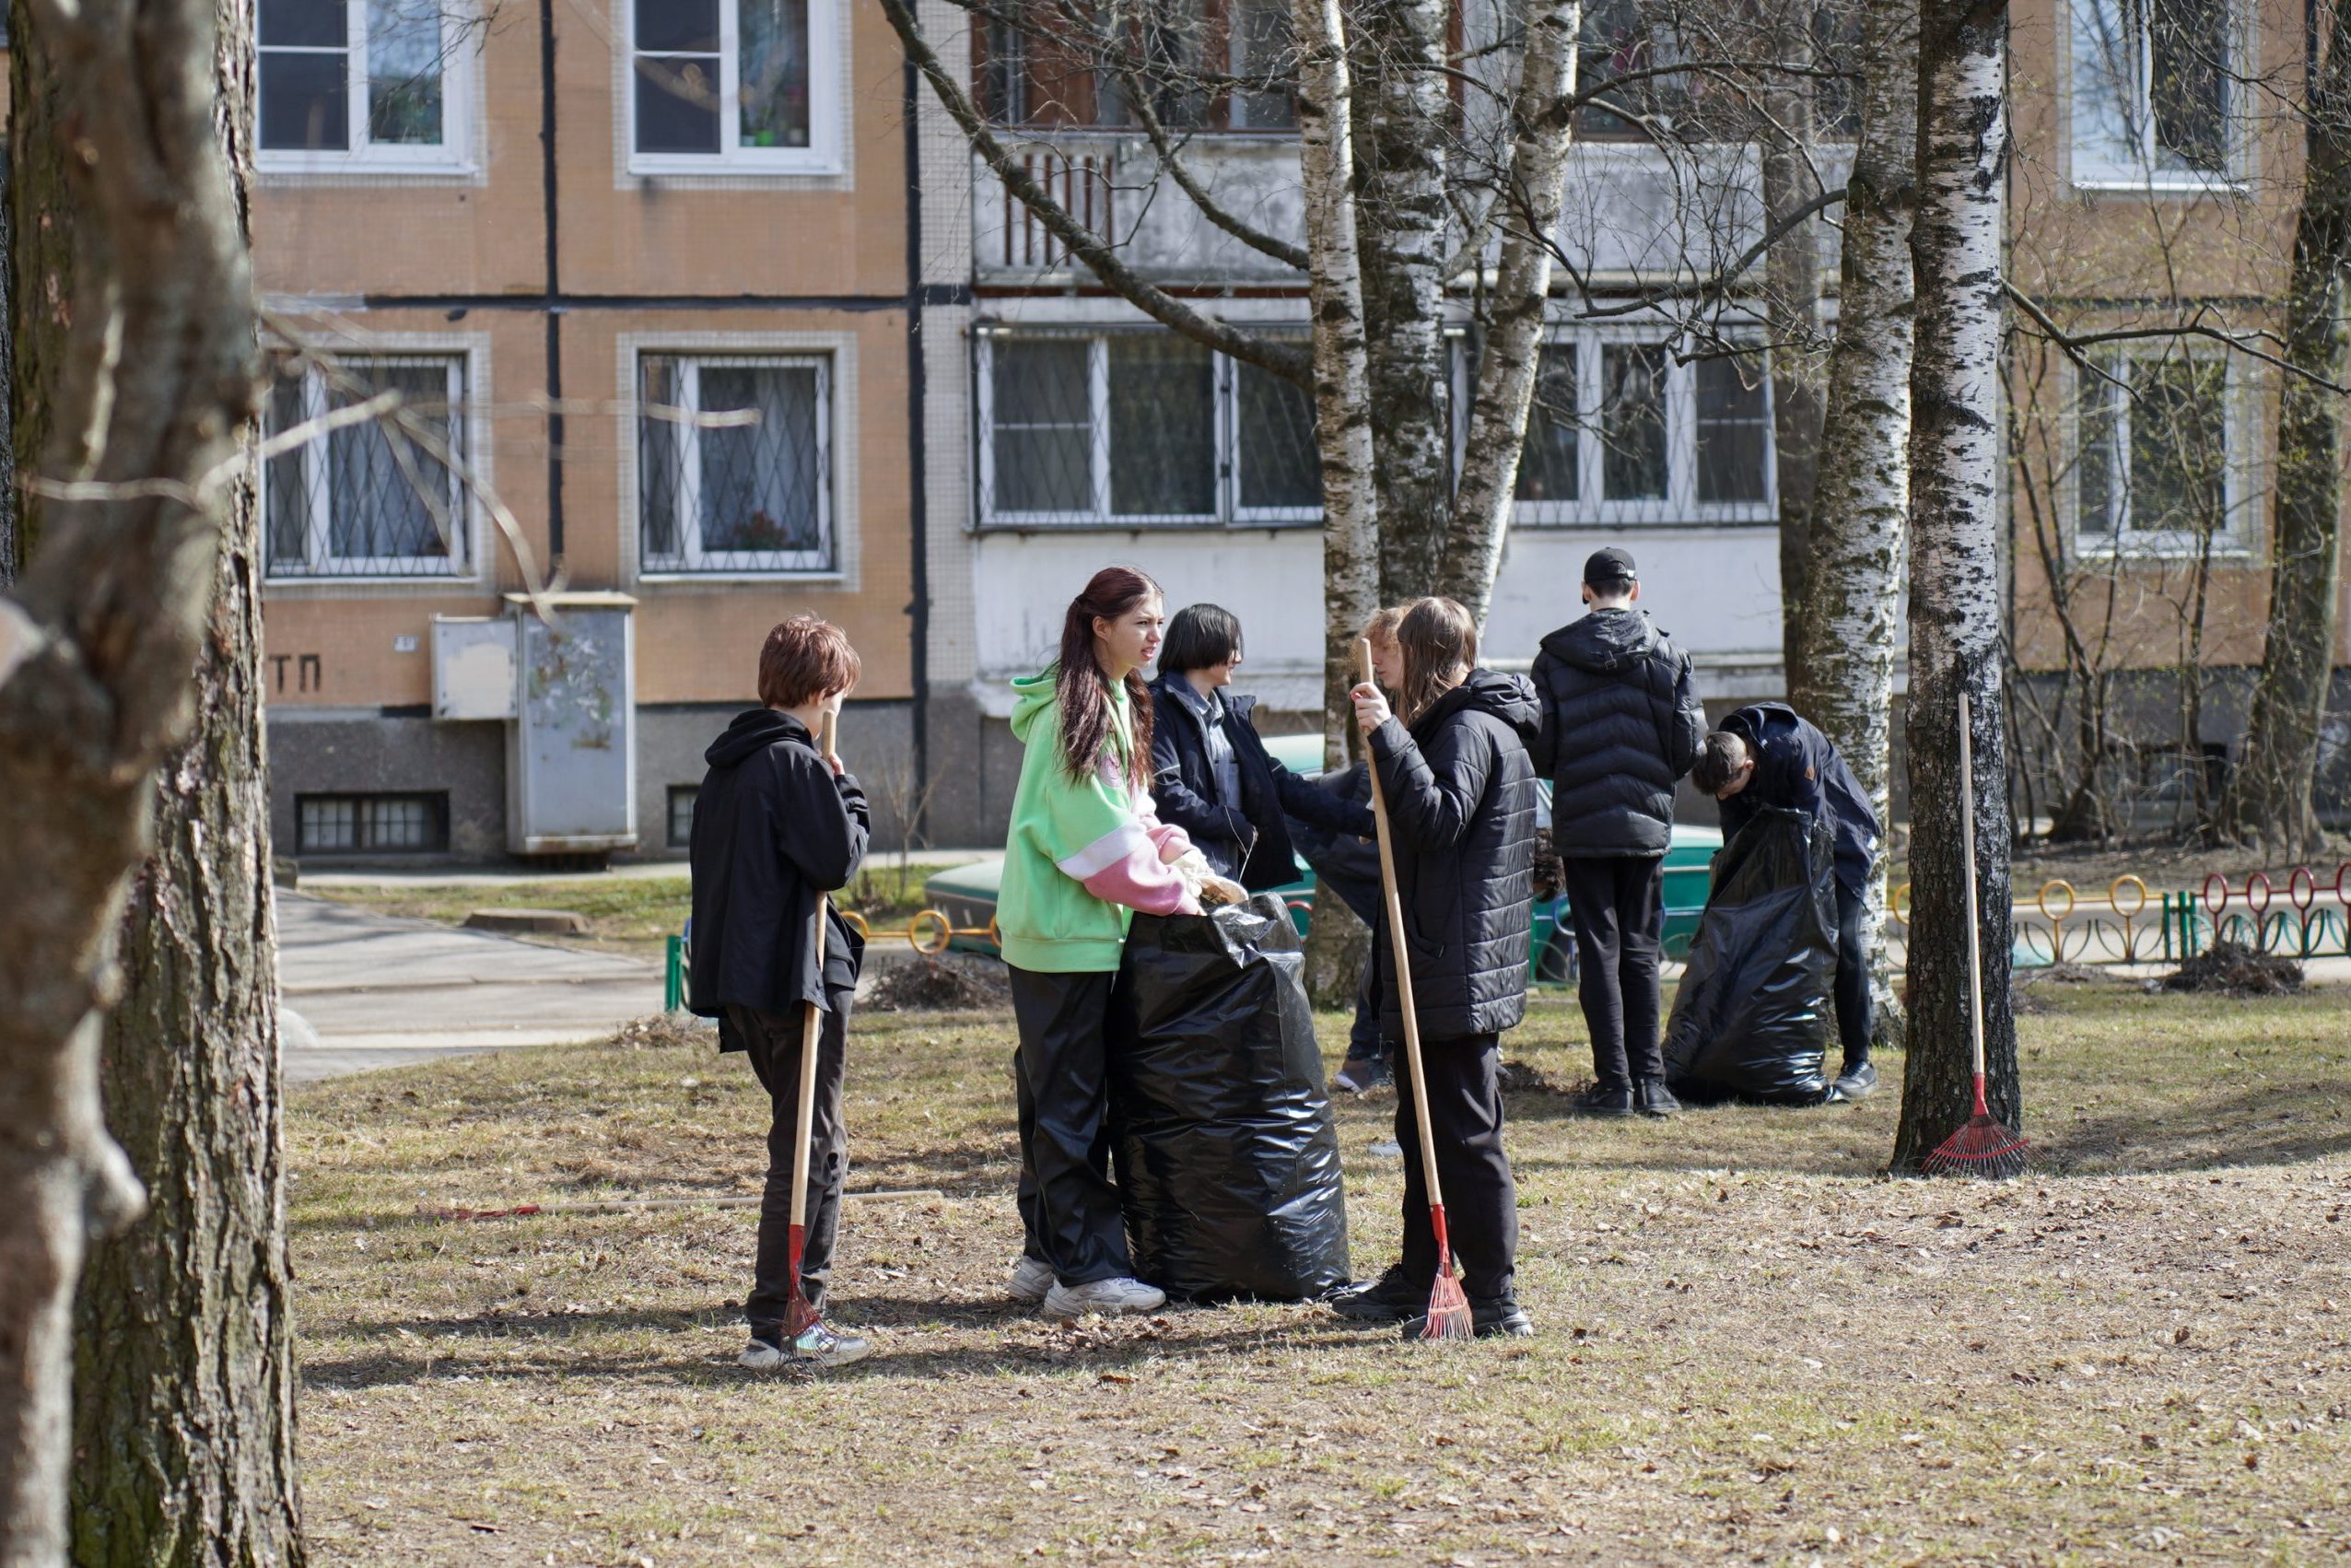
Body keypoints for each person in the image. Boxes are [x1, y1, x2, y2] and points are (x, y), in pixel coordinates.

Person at [997, 567, 1242, 1320]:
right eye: (1141, 621)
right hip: (1066, 935)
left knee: (1051, 1099)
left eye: (1159, 621)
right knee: (1072, 1107)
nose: (1155, 635)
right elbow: (1097, 844)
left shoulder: (1106, 700)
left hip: (1059, 933)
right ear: (1100, 626)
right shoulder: (1079, 711)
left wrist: (1180, 852)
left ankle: (1045, 1256)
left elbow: (1132, 809)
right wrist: (1180, 896)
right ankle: (1087, 1272)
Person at [1330, 597, 1539, 1340]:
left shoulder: (1471, 730)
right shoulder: (1457, 726)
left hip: (1456, 960)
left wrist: (1387, 734)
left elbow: (1437, 819)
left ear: (1420, 659)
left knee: (1465, 1133)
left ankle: (1493, 1293)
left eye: (1401, 659)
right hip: (1438, 953)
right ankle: (1420, 1274)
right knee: (1424, 1127)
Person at [687, 615, 872, 1369]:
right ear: (825, 691)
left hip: (744, 980)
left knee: (805, 1141)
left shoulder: (728, 765)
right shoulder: (794, 764)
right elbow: (837, 859)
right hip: (792, 982)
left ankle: (784, 1316)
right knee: (810, 1150)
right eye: (840, 694)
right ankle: (789, 1318)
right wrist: (847, 790)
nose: (839, 709)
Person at [1527, 547, 1706, 1118]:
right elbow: (1687, 746)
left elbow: (1543, 748)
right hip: (1645, 821)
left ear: (1585, 589)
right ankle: (1651, 1085)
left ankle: (1614, 1084)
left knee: (1598, 948)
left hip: (1582, 821)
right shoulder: (1670, 654)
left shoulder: (1553, 656)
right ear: (1634, 589)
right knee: (1642, 949)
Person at [1690, 703, 1883, 1101]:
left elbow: (1811, 830)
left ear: (1747, 768)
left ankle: (1860, 1062)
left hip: (1841, 841)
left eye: (1728, 789)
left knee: (1843, 943)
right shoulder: (1723, 754)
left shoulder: (1792, 746)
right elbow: (1737, 836)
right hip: (1783, 839)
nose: (1724, 797)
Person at [1146, 603, 1374, 893]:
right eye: (1231, 648)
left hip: (1230, 878)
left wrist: (1365, 821)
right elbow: (1166, 792)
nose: (1238, 658)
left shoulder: (1231, 716)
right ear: (1205, 643)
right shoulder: (1157, 707)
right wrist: (1234, 824)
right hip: (1183, 879)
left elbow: (1283, 784)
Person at [1295, 605, 1409, 1094]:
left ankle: (1376, 1054)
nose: (1378, 660)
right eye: (1376, 649)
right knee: (1393, 931)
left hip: (1357, 831)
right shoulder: (1389, 704)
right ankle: (1367, 1057)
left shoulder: (1409, 701)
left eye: (1386, 649)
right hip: (1339, 836)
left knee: (1396, 932)